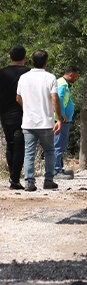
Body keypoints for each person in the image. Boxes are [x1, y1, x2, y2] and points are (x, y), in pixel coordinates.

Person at [16, 50, 62, 192]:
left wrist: (28, 107)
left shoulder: (23, 77)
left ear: (32, 61)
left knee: (29, 152)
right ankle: (48, 180)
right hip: (46, 121)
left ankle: (29, 181)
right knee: (49, 151)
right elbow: (54, 98)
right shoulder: (50, 78)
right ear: (46, 62)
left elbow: (18, 98)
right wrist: (58, 118)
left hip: (28, 122)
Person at [0, 44, 30, 190]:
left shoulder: (2, 73)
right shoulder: (29, 73)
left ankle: (13, 177)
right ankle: (15, 179)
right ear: (25, 58)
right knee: (19, 146)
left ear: (10, 57)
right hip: (23, 114)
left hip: (5, 115)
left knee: (10, 144)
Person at [53, 65, 80, 180]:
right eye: (76, 76)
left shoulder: (65, 84)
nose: (76, 78)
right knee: (58, 144)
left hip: (64, 120)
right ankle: (56, 170)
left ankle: (59, 167)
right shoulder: (63, 84)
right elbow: (58, 98)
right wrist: (62, 113)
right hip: (61, 120)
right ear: (70, 74)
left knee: (61, 144)